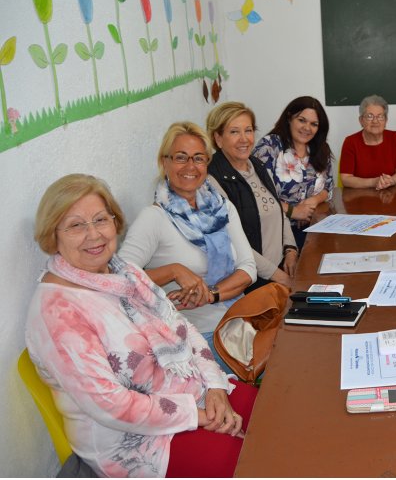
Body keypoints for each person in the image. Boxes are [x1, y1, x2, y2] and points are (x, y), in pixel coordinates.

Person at [26, 174, 256, 477]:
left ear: (115, 222)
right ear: (52, 235)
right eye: (75, 225)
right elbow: (110, 405)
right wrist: (200, 416)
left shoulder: (126, 272)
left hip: (192, 392)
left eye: (100, 219)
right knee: (253, 464)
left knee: (274, 412)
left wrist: (215, 388)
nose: (93, 234)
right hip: (137, 442)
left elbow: (182, 328)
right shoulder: (57, 311)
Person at [119, 122, 257, 372]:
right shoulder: (154, 218)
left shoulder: (222, 208)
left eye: (198, 158)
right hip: (195, 338)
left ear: (207, 164)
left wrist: (211, 294)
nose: (190, 166)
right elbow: (120, 279)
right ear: (165, 162)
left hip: (238, 320)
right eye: (181, 157)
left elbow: (248, 268)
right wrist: (173, 270)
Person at [205, 102, 298, 293]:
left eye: (248, 130)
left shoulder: (257, 164)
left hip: (278, 273)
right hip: (252, 283)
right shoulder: (212, 180)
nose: (244, 139)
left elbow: (278, 211)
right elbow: (233, 242)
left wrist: (290, 250)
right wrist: (279, 276)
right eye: (234, 132)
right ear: (218, 138)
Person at [253, 96, 334, 250]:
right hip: (277, 230)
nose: (307, 128)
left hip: (314, 226)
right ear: (289, 118)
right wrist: (294, 211)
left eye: (314, 124)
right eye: (302, 120)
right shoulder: (270, 146)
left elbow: (328, 188)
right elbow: (256, 192)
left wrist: (313, 201)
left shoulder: (321, 148)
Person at [340, 94, 396, 189]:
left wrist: (391, 181)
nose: (375, 121)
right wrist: (373, 182)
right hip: (360, 196)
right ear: (361, 120)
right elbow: (346, 179)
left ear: (386, 120)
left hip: (390, 194)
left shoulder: (395, 138)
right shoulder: (350, 142)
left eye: (380, 116)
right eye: (369, 116)